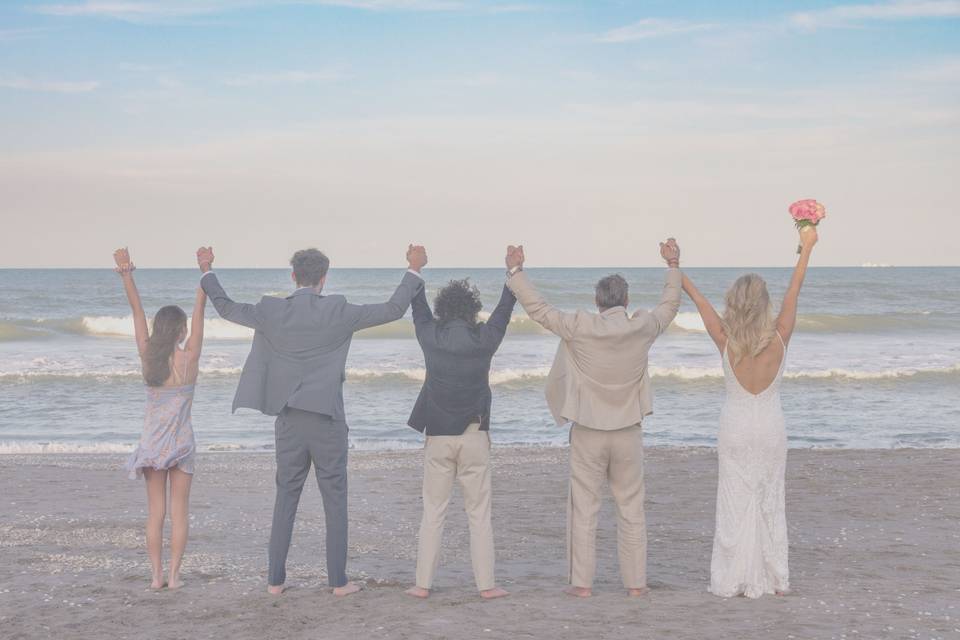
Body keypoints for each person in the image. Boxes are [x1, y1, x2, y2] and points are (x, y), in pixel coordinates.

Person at [196, 244, 426, 597]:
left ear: (293, 277)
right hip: (327, 421)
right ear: (324, 278)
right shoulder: (339, 310)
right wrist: (413, 269)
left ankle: (275, 581)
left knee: (286, 497)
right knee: (334, 499)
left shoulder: (271, 311)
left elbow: (226, 307)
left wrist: (207, 271)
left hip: (288, 420)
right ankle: (338, 582)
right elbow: (394, 309)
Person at [503, 240, 681, 598]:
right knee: (631, 508)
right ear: (626, 301)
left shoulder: (581, 326)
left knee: (584, 508)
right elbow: (670, 305)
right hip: (628, 431)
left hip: (588, 431)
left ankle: (582, 585)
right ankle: (635, 585)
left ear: (598, 301)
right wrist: (673, 264)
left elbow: (539, 310)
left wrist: (515, 272)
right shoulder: (643, 327)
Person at [680, 225, 818, 598]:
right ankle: (775, 578)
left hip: (736, 427)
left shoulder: (726, 340)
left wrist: (676, 267)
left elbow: (701, 304)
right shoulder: (780, 335)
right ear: (764, 304)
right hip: (770, 425)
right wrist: (806, 248)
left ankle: (731, 578)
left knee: (734, 499)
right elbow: (795, 289)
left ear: (734, 303)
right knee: (770, 498)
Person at [404, 271, 517, 601]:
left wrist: (416, 270)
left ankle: (422, 585)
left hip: (437, 436)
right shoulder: (485, 339)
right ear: (472, 310)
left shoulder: (430, 336)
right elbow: (504, 311)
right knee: (479, 514)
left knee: (433, 512)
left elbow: (418, 306)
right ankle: (487, 586)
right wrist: (512, 274)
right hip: (474, 435)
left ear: (442, 310)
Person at [114, 247, 206, 591]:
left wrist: (126, 274)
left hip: (153, 446)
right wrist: (204, 271)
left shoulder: (147, 356)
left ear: (159, 329)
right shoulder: (190, 359)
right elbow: (200, 312)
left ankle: (154, 577)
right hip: (182, 445)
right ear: (181, 331)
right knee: (179, 512)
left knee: (156, 514)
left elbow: (135, 310)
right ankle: (174, 576)